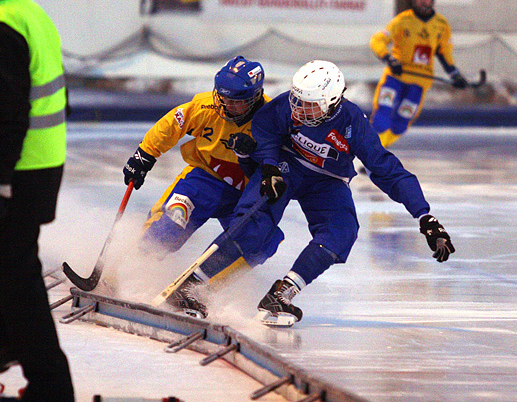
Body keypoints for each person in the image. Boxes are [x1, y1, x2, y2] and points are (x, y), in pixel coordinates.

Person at [170, 60, 455, 326]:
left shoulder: (353, 123)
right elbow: (265, 127)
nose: (298, 110)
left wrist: (424, 215)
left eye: (309, 106)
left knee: (342, 231)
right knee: (254, 224)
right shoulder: (287, 107)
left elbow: (387, 169)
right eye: (296, 101)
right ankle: (191, 285)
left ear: (332, 104)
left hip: (326, 180)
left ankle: (282, 294)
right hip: (285, 167)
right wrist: (268, 166)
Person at [122, 56, 280, 317]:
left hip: (245, 195)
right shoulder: (205, 106)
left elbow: (283, 159)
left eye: (237, 101)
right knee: (171, 223)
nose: (227, 105)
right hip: (202, 180)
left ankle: (198, 289)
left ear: (255, 97)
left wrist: (258, 156)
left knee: (262, 241)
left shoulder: (271, 120)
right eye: (223, 97)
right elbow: (172, 123)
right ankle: (125, 267)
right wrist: (145, 155)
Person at [0, 0, 75, 401]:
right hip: (38, 170)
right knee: (11, 273)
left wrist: (1, 184)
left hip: (17, 174)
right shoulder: (29, 13)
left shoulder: (6, 22)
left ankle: (50, 386)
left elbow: (8, 113)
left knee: (17, 278)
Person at [369, 0, 468, 148]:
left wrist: (455, 74)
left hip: (419, 83)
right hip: (395, 77)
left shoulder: (441, 25)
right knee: (382, 116)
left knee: (401, 123)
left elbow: (445, 53)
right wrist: (389, 58)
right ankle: (370, 154)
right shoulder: (402, 20)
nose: (423, 0)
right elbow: (377, 40)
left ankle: (378, 152)